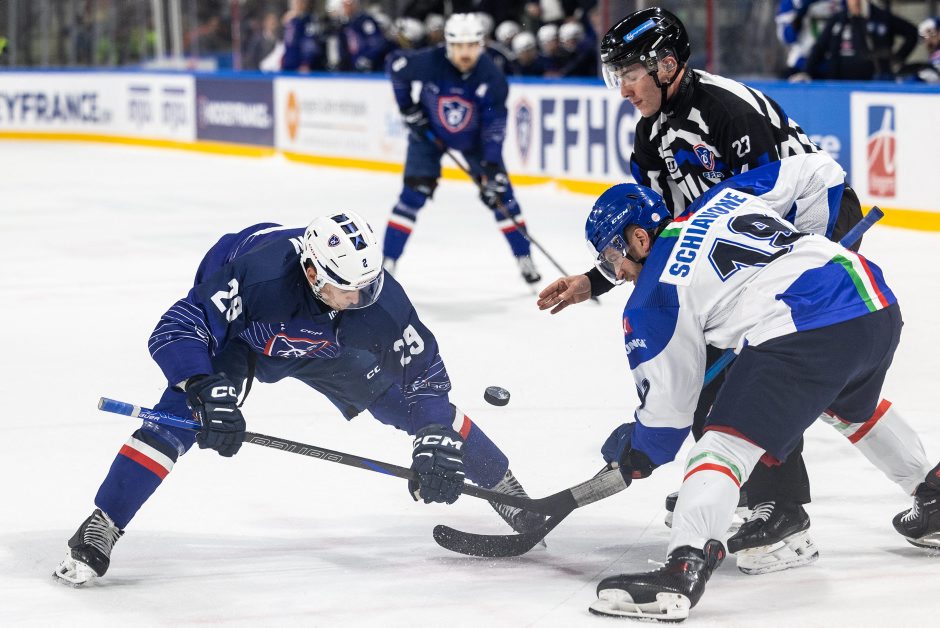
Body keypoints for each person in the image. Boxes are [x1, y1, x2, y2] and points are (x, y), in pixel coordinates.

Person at [537, 6, 866, 576]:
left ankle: (781, 508)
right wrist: (595, 279)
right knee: (723, 370)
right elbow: (659, 236)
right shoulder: (650, 134)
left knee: (762, 369)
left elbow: (771, 205)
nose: (623, 90)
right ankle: (742, 482)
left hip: (809, 231)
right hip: (741, 250)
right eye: (617, 76)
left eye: (630, 74)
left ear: (666, 66)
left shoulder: (727, 110)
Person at [53, 211, 544, 586]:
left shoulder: (373, 300)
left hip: (322, 344)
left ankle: (511, 494)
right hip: (246, 335)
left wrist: (434, 432)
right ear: (311, 271)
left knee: (405, 406)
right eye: (348, 290)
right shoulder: (258, 274)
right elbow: (178, 327)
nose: (362, 299)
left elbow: (426, 373)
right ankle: (103, 523)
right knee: (180, 416)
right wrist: (203, 386)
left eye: (368, 286)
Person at [579, 183, 940, 621]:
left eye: (612, 257)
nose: (616, 273)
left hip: (804, 326)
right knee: (848, 407)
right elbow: (815, 174)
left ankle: (683, 570)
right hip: (871, 298)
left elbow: (667, 424)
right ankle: (935, 495)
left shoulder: (654, 297)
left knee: (724, 444)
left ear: (639, 238)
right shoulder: (720, 201)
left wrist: (638, 449)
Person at [381, 13, 541, 284]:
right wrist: (407, 108)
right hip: (428, 135)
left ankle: (524, 257)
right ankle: (388, 261)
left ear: (481, 45)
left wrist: (491, 166)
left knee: (501, 196)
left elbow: (494, 125)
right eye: (458, 46)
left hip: (474, 141)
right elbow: (395, 66)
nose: (465, 53)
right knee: (413, 194)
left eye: (471, 46)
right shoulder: (431, 60)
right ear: (448, 45)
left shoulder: (492, 77)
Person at [806, 0, 918, 81]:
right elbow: (819, 47)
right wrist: (806, 72)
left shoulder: (881, 18)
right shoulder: (839, 19)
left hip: (874, 81)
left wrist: (897, 59)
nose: (856, 2)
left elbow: (912, 33)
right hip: (840, 82)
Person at [328, 0, 390, 72]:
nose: (344, 8)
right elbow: (344, 47)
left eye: (347, 4)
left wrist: (367, 57)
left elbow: (377, 42)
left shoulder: (365, 20)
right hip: (353, 68)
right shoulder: (345, 24)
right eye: (343, 5)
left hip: (371, 68)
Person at [281, 0, 327, 72]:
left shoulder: (309, 20)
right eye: (295, 2)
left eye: (300, 2)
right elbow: (286, 42)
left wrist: (306, 62)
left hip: (301, 65)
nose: (297, 5)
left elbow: (310, 43)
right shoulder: (290, 20)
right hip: (289, 63)